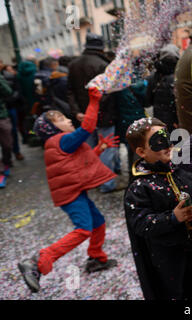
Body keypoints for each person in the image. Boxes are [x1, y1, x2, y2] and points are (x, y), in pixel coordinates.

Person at [17, 87, 118, 293]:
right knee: (83, 229)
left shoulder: (61, 143)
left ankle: (96, 258)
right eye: (62, 119)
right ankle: (37, 262)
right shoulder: (61, 140)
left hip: (74, 191)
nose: (69, 120)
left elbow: (79, 165)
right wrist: (93, 101)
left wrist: (99, 149)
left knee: (98, 223)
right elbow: (88, 126)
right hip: (70, 195)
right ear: (52, 128)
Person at [123, 117, 192, 300]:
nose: (167, 145)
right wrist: (172, 218)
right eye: (158, 142)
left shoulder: (181, 170)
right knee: (172, 293)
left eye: (167, 138)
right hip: (167, 257)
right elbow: (140, 223)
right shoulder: (139, 187)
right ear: (141, 151)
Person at [67, 33, 120, 193]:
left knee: (89, 150)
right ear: (101, 46)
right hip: (104, 115)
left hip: (84, 116)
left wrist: (77, 112)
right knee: (106, 146)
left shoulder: (73, 64)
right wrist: (94, 108)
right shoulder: (103, 64)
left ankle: (93, 180)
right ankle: (106, 184)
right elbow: (108, 92)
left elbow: (70, 91)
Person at [147, 44, 180, 133]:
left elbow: (148, 100)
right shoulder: (180, 75)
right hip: (177, 121)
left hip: (159, 121)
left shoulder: (154, 76)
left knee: (164, 143)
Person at [0, 61, 25, 161]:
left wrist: (10, 99)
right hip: (4, 109)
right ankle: (7, 157)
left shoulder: (9, 76)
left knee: (13, 130)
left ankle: (16, 151)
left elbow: (16, 91)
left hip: (10, 107)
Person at [17, 56, 37, 145]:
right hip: (36, 102)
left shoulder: (19, 75)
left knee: (29, 122)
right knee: (37, 120)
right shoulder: (35, 73)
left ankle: (31, 135)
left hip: (24, 103)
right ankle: (38, 136)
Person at [0, 73, 13, 188]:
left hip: (2, 115)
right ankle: (1, 172)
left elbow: (8, 92)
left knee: (7, 144)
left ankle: (6, 162)